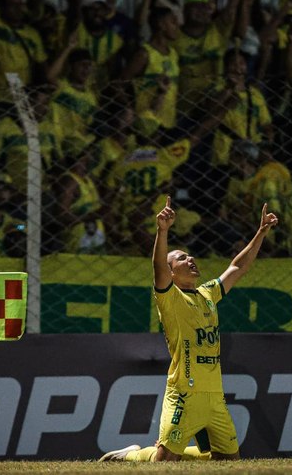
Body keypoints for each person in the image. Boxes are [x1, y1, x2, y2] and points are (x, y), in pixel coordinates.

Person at [100, 196, 278, 462]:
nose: (191, 258)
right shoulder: (170, 298)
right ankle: (133, 455)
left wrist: (261, 233)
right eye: (182, 258)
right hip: (184, 393)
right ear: (171, 274)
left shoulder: (208, 294)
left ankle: (170, 451)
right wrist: (162, 231)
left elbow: (237, 267)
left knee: (228, 464)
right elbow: (158, 266)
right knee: (163, 463)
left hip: (215, 395)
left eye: (190, 255)